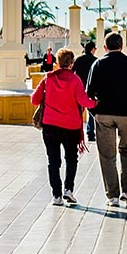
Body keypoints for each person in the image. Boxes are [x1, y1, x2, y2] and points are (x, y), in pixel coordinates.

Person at [85, 32, 127, 207]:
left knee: (107, 155)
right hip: (126, 115)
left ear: (105, 47)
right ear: (121, 46)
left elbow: (88, 93)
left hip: (103, 115)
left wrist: (94, 112)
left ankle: (112, 196)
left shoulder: (98, 64)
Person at [32, 48, 95, 206]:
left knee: (53, 161)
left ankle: (56, 196)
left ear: (56, 63)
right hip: (71, 128)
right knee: (71, 159)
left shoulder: (48, 78)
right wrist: (96, 103)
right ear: (72, 64)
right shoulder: (75, 80)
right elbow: (84, 101)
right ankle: (68, 190)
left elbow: (34, 100)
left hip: (50, 126)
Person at [74, 40, 98, 147]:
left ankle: (77, 133)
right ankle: (90, 133)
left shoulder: (78, 60)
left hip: (78, 89)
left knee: (78, 112)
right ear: (92, 49)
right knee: (91, 113)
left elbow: (72, 73)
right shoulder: (96, 61)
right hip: (91, 90)